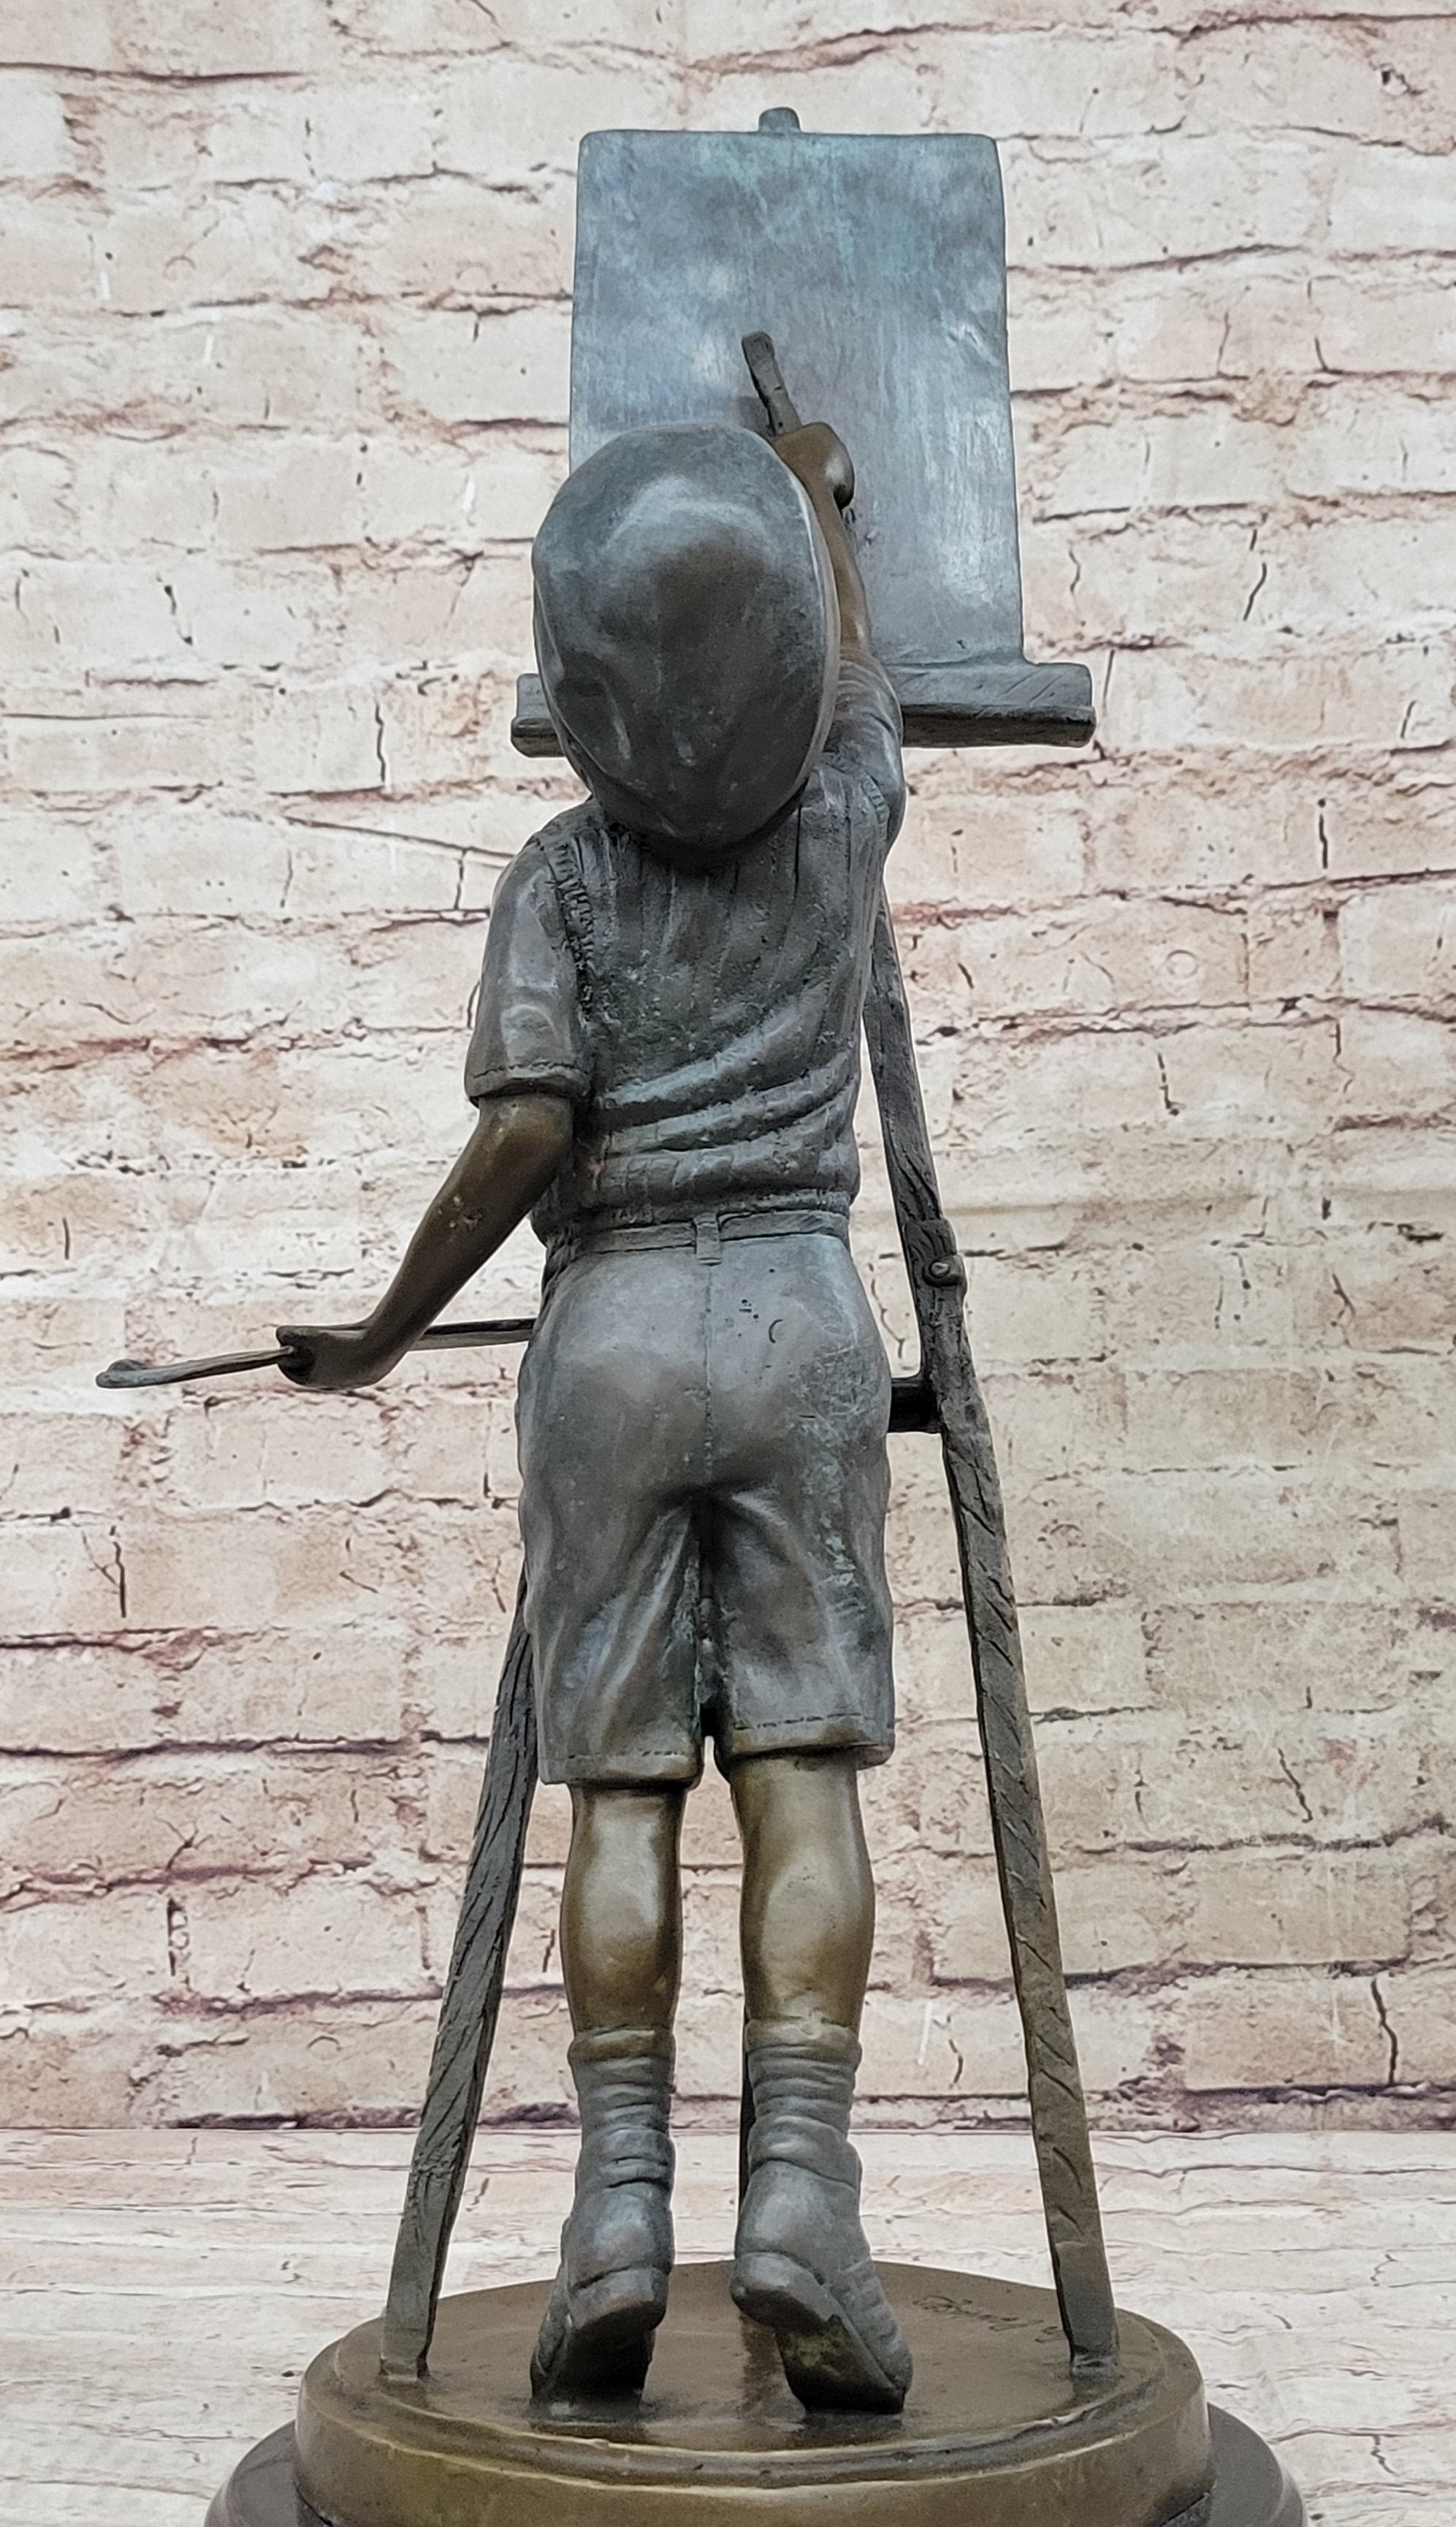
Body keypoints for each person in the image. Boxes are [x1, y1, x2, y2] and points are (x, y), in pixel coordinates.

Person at [280, 402, 912, 2415]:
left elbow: (524, 1132)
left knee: (618, 1789)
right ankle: (801, 2192)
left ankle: (618, 2212)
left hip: (614, 1342)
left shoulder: (558, 882)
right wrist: (821, 503)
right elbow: (861, 679)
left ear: (588, 700)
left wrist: (384, 1330)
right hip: (802, 1322)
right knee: (800, 1770)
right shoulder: (846, 818)